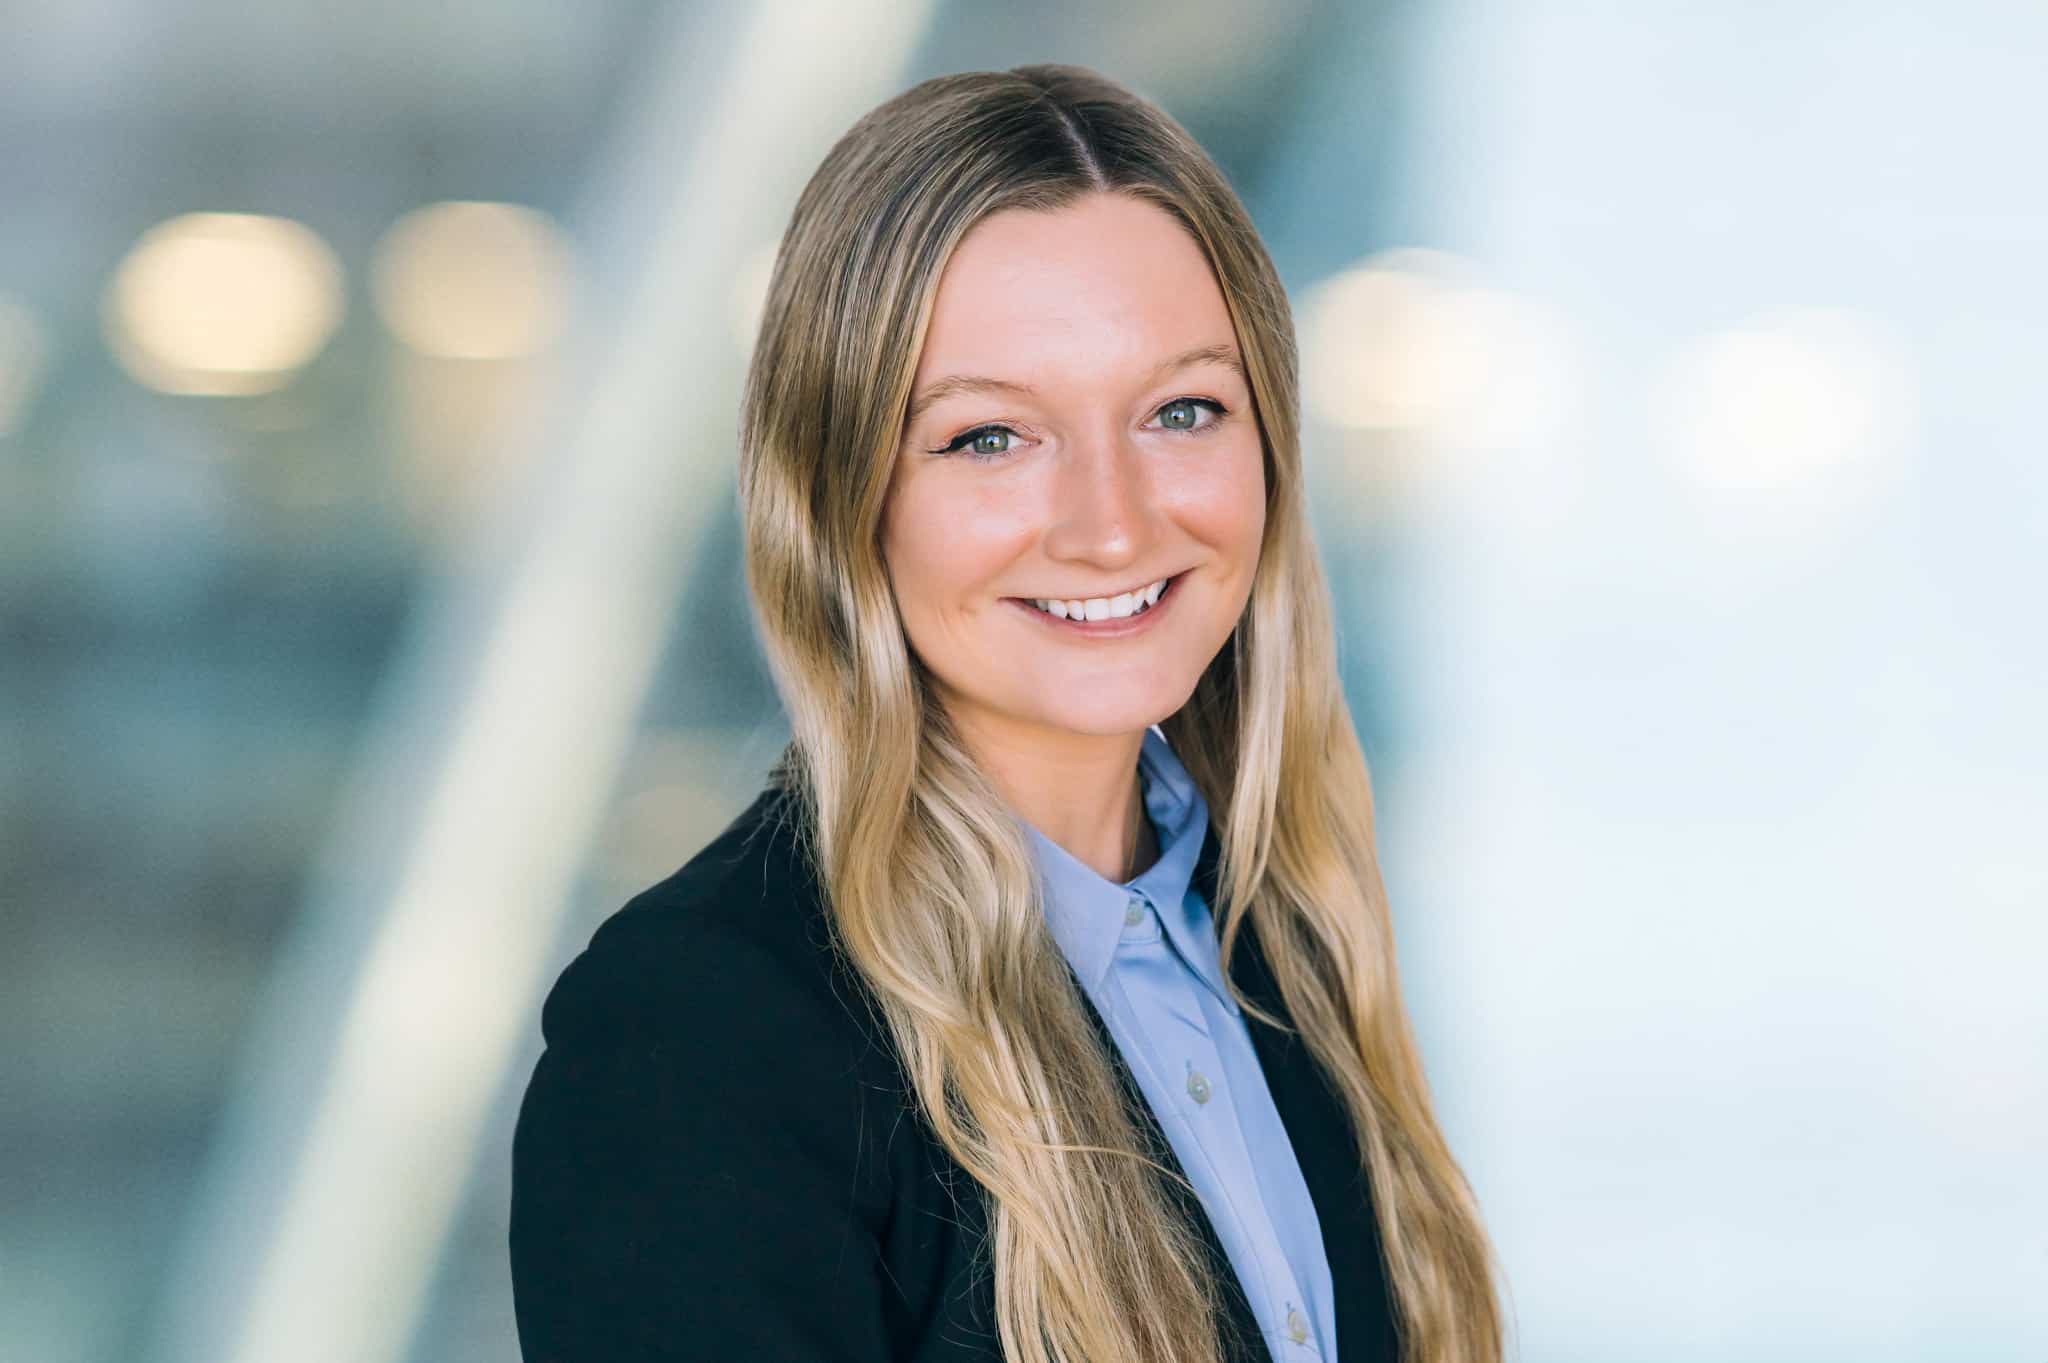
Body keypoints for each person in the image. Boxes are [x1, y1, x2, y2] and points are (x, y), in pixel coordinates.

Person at [509, 64, 1503, 1363]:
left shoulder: (1282, 948)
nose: (1112, 526)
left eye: (1183, 411)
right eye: (990, 437)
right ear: (839, 494)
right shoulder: (698, 1037)